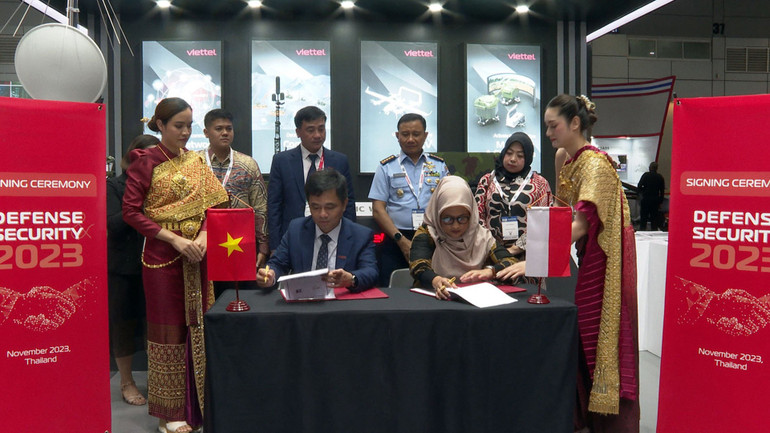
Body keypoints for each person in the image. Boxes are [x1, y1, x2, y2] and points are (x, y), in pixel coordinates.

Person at [123, 97, 229, 433]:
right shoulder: (147, 162)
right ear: (160, 126)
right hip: (162, 260)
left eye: (188, 125)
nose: (185, 132)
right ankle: (170, 413)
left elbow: (215, 206)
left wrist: (204, 237)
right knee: (167, 333)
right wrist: (174, 240)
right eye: (177, 126)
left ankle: (199, 405)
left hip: (197, 258)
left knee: (197, 327)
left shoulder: (196, 161)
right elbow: (131, 212)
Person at [545, 94, 639, 432]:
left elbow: (581, 223)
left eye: (553, 126)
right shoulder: (571, 159)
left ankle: (605, 422)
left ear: (574, 123)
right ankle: (586, 418)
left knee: (600, 338)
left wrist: (537, 256)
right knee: (587, 336)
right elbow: (561, 207)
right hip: (588, 257)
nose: (549, 133)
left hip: (603, 261)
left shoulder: (596, 164)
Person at [258, 168, 378, 292]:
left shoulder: (361, 235)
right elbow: (277, 263)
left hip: (343, 304)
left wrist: (351, 279)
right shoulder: (296, 230)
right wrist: (270, 275)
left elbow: (371, 271)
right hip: (304, 302)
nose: (322, 214)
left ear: (344, 204)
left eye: (330, 207)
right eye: (315, 207)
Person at [408, 176, 522, 299]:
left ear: (471, 215)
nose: (456, 226)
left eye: (462, 218)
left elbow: (510, 262)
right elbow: (418, 266)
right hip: (432, 298)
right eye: (447, 219)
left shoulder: (481, 235)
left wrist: (490, 271)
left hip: (475, 300)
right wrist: (436, 280)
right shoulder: (428, 232)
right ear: (437, 214)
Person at [368, 113, 449, 286]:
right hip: (396, 239)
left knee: (432, 287)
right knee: (394, 289)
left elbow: (448, 204)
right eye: (405, 134)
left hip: (431, 238)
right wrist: (401, 240)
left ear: (426, 135)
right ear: (397, 136)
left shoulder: (439, 166)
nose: (410, 139)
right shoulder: (386, 167)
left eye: (416, 134)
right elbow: (378, 209)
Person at [107, 134, 158, 406]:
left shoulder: (162, 185)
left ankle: (159, 379)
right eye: (145, 156)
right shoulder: (115, 185)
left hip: (157, 264)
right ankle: (126, 381)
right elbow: (113, 224)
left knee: (156, 324)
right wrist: (137, 203)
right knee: (123, 325)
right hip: (123, 267)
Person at [198, 109, 269, 297]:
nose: (225, 133)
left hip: (240, 242)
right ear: (206, 133)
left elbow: (260, 207)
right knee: (208, 298)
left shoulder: (248, 164)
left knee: (241, 296)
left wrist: (263, 245)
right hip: (202, 243)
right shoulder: (194, 163)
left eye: (229, 128)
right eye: (218, 128)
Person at [267, 106, 356, 252]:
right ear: (298, 132)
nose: (317, 135)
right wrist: (275, 246)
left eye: (321, 129)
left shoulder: (339, 161)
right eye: (310, 130)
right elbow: (274, 205)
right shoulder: (282, 161)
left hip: (332, 235)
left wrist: (350, 240)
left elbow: (349, 203)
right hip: (293, 236)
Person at [474, 131, 552, 259]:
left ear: (528, 158)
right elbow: (477, 216)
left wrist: (515, 249)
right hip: (489, 253)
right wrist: (493, 248)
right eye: (509, 153)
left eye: (520, 155)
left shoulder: (540, 184)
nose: (513, 159)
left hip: (528, 256)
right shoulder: (487, 180)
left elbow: (544, 222)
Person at [637, 161, 665, 231]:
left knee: (643, 219)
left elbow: (639, 186)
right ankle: (654, 233)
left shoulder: (645, 175)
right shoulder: (660, 177)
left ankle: (642, 233)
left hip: (646, 199)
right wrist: (660, 201)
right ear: (656, 168)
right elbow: (662, 191)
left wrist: (643, 192)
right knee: (654, 220)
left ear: (650, 168)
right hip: (655, 201)